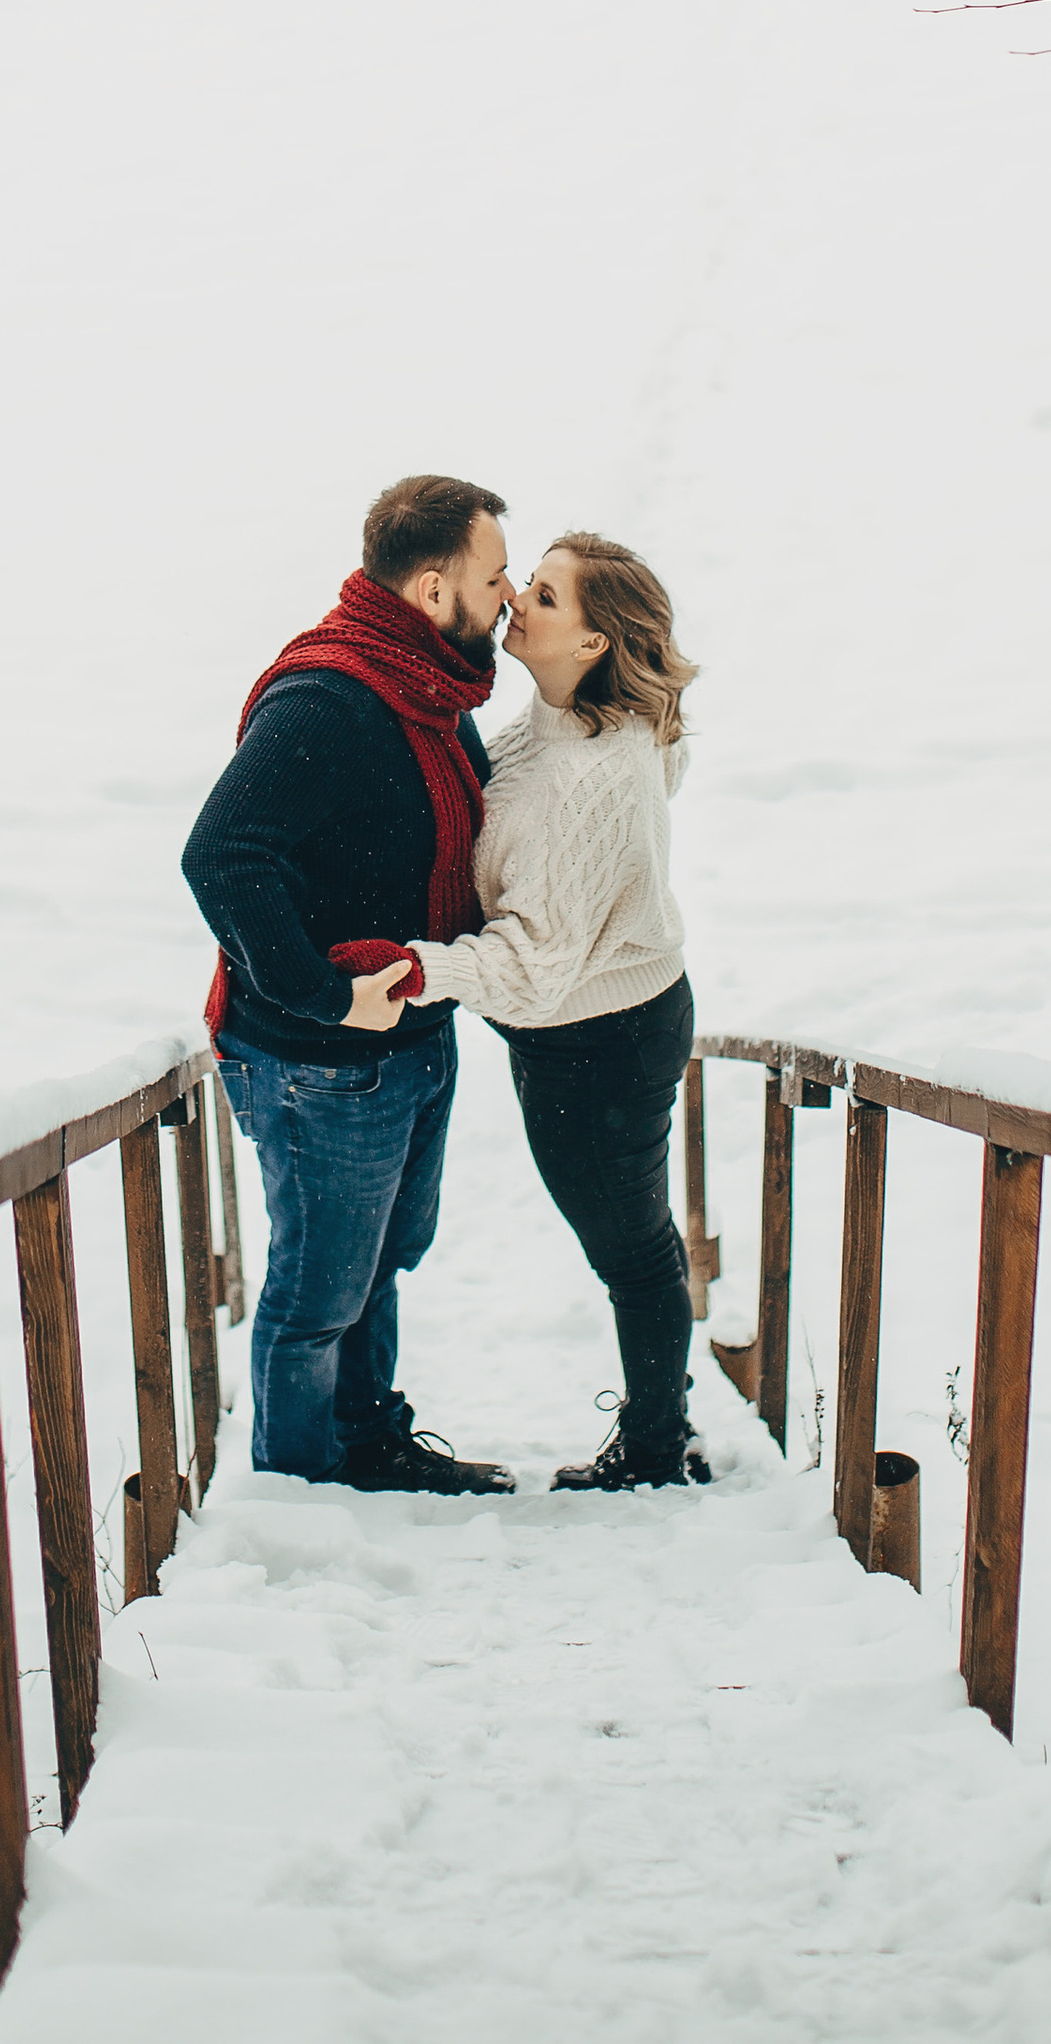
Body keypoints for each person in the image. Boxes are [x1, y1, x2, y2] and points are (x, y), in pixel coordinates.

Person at [347, 531, 706, 1492]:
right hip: (602, 1021)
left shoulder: (589, 773)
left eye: (543, 596)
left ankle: (657, 1451)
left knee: (629, 1249)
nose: (515, 601)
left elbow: (539, 966)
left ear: (592, 644)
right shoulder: (561, 725)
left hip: (599, 1040)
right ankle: (662, 1430)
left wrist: (414, 970)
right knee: (635, 1237)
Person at [182, 475, 517, 1496]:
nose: (507, 595)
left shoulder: (424, 685)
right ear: (429, 587)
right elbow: (223, 855)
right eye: (493, 575)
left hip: (407, 1040)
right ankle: (300, 1494)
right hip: (319, 1059)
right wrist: (327, 999)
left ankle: (366, 1445)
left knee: (380, 1261)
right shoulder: (330, 699)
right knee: (317, 1289)